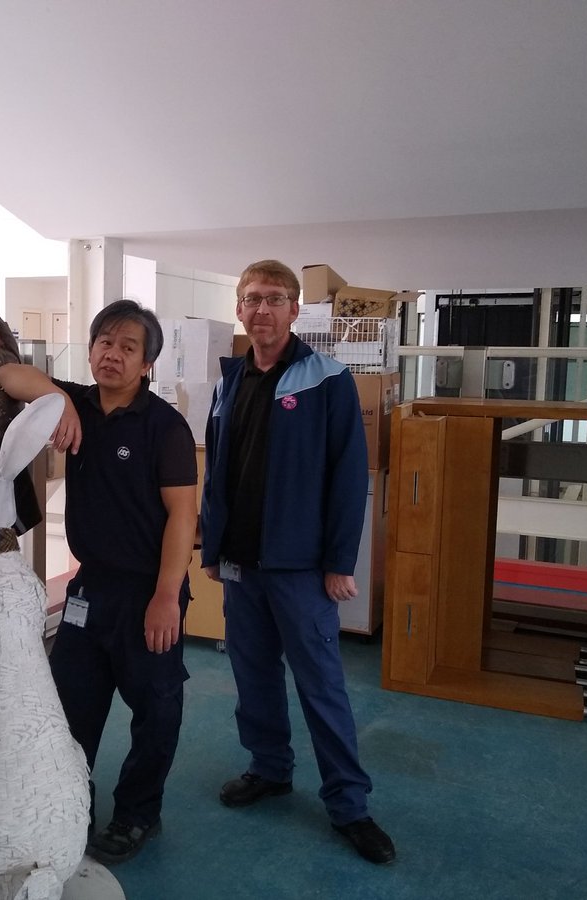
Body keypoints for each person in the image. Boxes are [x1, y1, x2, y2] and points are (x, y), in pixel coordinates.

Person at [199, 260, 396, 865]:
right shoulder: (229, 380)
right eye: (253, 298)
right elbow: (220, 474)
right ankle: (269, 768)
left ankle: (350, 805)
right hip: (242, 564)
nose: (263, 309)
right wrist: (214, 547)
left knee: (322, 686)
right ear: (239, 308)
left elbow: (346, 478)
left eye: (276, 299)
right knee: (254, 676)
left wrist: (340, 561)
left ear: (294, 310)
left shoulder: (327, 380)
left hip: (302, 568)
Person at [0, 299, 198, 865]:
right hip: (90, 589)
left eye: (128, 347)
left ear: (146, 364)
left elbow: (183, 517)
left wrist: (166, 597)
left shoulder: (165, 428)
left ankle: (138, 813)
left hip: (148, 590)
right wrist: (56, 397)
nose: (112, 354)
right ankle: (70, 802)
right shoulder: (77, 402)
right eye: (104, 342)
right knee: (69, 707)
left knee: (156, 710)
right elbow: (6, 374)